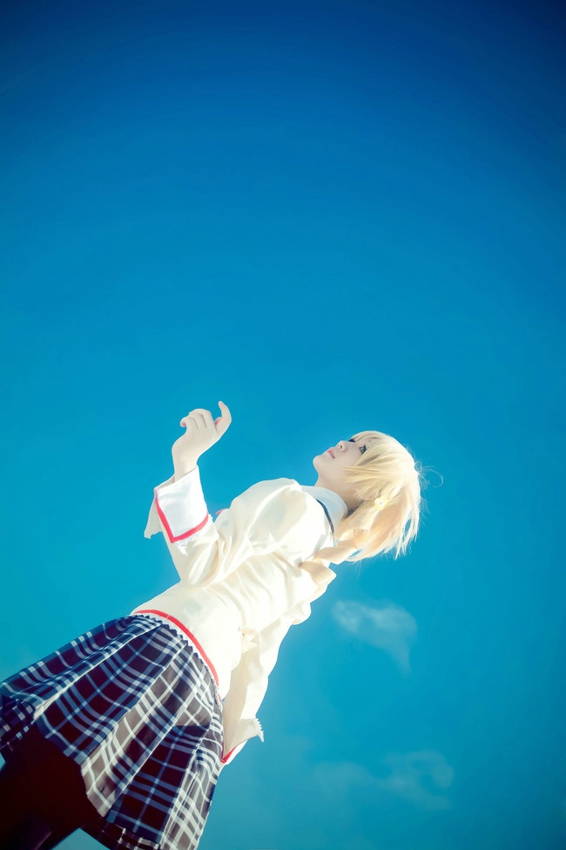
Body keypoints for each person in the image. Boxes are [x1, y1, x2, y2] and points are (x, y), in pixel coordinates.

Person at [0, 401, 424, 850]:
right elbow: (258, 660)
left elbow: (204, 561)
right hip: (198, 695)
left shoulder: (292, 501)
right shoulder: (317, 563)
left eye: (360, 448)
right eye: (353, 438)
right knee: (44, 816)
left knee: (28, 790)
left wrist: (186, 461)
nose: (344, 442)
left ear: (369, 482)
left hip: (162, 650)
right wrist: (224, 740)